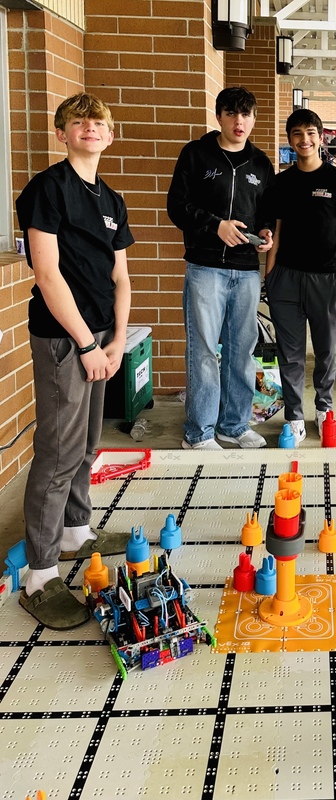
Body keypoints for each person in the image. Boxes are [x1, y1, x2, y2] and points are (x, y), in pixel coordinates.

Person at [15, 93, 134, 630]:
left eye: (100, 123)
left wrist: (116, 340)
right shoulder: (48, 189)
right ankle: (38, 577)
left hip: (102, 337)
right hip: (65, 339)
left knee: (87, 443)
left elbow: (121, 278)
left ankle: (74, 533)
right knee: (58, 452)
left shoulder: (111, 198)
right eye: (79, 121)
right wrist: (86, 344)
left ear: (111, 136)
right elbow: (47, 272)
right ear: (62, 133)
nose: (90, 128)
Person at [167, 87, 274, 451]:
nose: (238, 121)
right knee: (204, 352)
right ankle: (199, 433)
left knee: (241, 353)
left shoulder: (261, 163)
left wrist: (264, 232)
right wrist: (216, 225)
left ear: (254, 119)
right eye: (231, 114)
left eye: (245, 115)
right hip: (205, 268)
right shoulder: (196, 155)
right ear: (219, 117)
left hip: (246, 270)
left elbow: (265, 214)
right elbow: (176, 206)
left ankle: (234, 425)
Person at [264, 110, 336, 446]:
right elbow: (277, 228)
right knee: (289, 353)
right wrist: (270, 273)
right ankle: (293, 415)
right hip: (286, 279)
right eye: (296, 134)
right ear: (289, 139)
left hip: (326, 280)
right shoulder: (282, 182)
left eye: (310, 133)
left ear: (320, 136)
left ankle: (323, 406)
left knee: (325, 351)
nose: (304, 140)